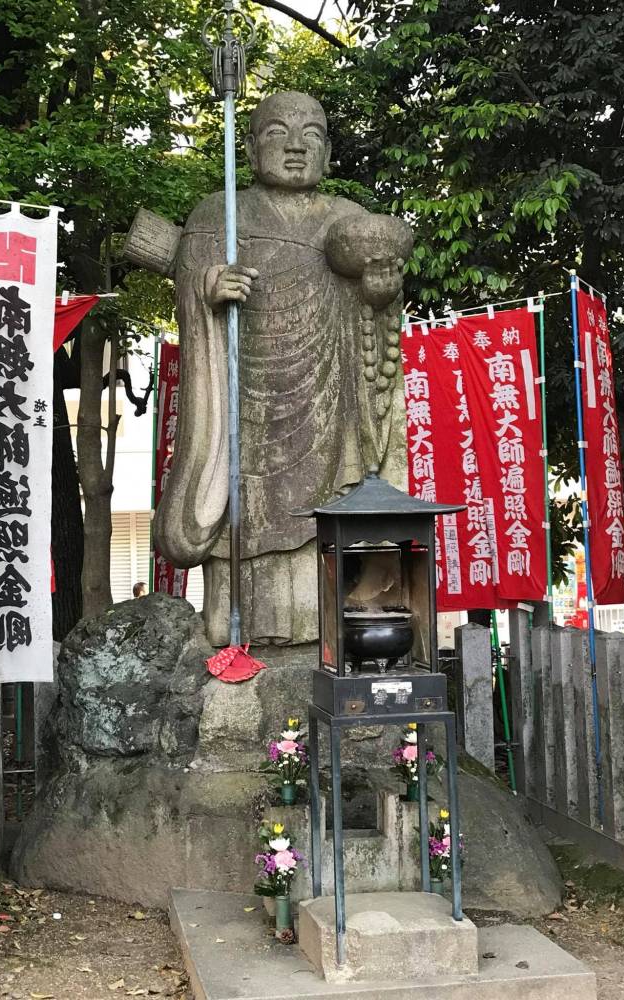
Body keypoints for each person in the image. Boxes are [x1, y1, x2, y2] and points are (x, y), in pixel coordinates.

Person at [126, 91, 411, 645]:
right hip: (245, 399)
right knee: (241, 511)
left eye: (313, 134)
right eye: (279, 133)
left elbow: (373, 319)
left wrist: (377, 295)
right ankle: (236, 639)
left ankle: (329, 634)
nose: (297, 146)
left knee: (325, 518)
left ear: (328, 153)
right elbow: (192, 280)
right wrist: (209, 286)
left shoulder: (348, 221)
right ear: (253, 149)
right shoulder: (220, 212)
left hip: (328, 405)